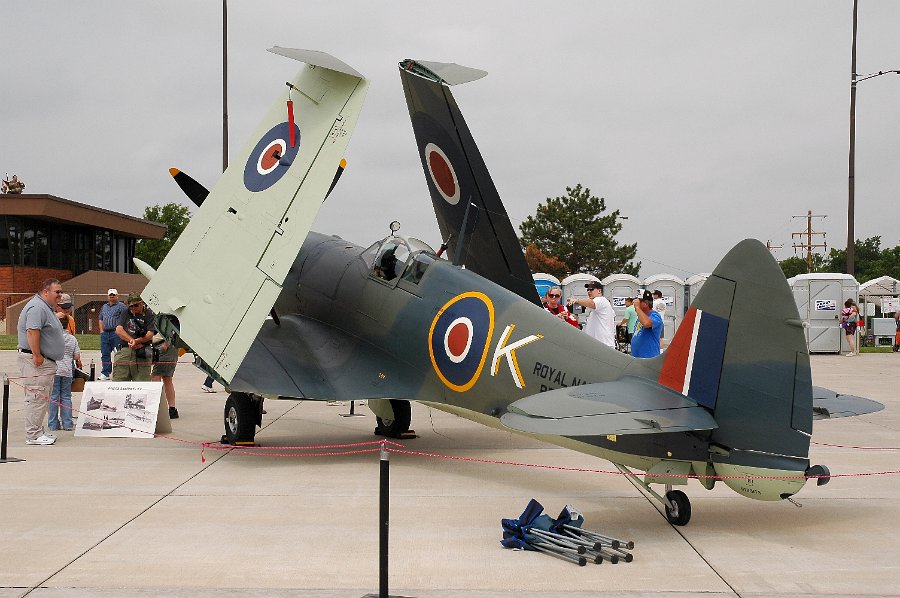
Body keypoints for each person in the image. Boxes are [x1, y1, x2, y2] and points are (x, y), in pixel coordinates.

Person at [17, 278, 66, 445]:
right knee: (36, 397)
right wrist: (37, 355)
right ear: (46, 292)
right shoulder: (37, 307)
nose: (60, 295)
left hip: (44, 362)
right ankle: (33, 435)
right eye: (57, 292)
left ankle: (38, 431)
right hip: (36, 362)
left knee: (41, 397)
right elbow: (32, 331)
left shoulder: (45, 307)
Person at [48, 311, 83, 432]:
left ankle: (53, 424)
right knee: (66, 397)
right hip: (67, 370)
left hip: (54, 369)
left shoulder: (51, 338)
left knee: (53, 397)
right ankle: (67, 423)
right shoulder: (72, 339)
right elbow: (77, 356)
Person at [112, 294, 157, 381]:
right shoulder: (126, 312)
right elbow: (119, 329)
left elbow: (150, 334)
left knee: (142, 383)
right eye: (131, 306)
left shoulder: (149, 314)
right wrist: (131, 340)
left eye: (135, 305)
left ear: (141, 303)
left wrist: (137, 341)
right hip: (125, 349)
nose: (133, 308)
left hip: (142, 351)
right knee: (119, 380)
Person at [567, 282, 615, 347]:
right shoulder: (595, 304)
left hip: (603, 345)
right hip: (597, 344)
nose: (589, 291)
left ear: (599, 291)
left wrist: (577, 300)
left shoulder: (601, 300)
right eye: (588, 290)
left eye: (591, 289)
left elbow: (592, 303)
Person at [98, 289, 127, 380]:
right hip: (105, 333)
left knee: (118, 353)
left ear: (117, 296)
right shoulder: (104, 307)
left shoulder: (121, 306)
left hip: (116, 333)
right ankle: (105, 373)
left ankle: (120, 372)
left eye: (113, 295)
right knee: (105, 353)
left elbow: (125, 318)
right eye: (110, 295)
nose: (112, 296)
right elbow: (100, 319)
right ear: (108, 296)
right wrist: (101, 330)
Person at [151, 333, 179, 419]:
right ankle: (171, 409)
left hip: (165, 345)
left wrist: (167, 342)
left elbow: (172, 329)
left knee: (156, 376)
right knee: (167, 378)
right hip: (165, 345)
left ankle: (158, 407)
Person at [631, 291, 663, 358]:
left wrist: (637, 307)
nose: (635, 304)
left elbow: (646, 323)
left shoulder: (655, 316)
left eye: (639, 302)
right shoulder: (640, 317)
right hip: (637, 358)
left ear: (646, 303)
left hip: (648, 359)